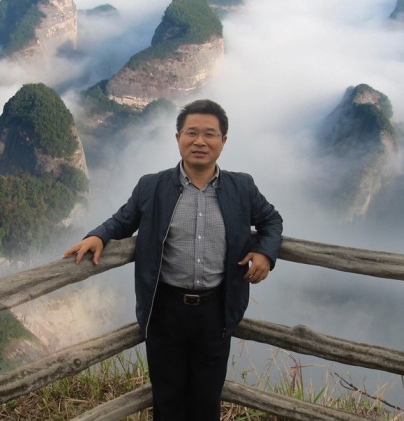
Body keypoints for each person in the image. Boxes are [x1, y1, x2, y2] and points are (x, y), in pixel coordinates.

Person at [63, 99, 283, 421]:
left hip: (217, 310)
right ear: (178, 138)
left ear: (223, 141)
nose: (199, 141)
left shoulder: (242, 187)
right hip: (165, 309)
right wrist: (98, 236)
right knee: (167, 400)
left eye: (209, 134)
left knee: (207, 399)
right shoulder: (152, 186)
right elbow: (123, 220)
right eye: (191, 133)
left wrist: (265, 252)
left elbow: (271, 220)